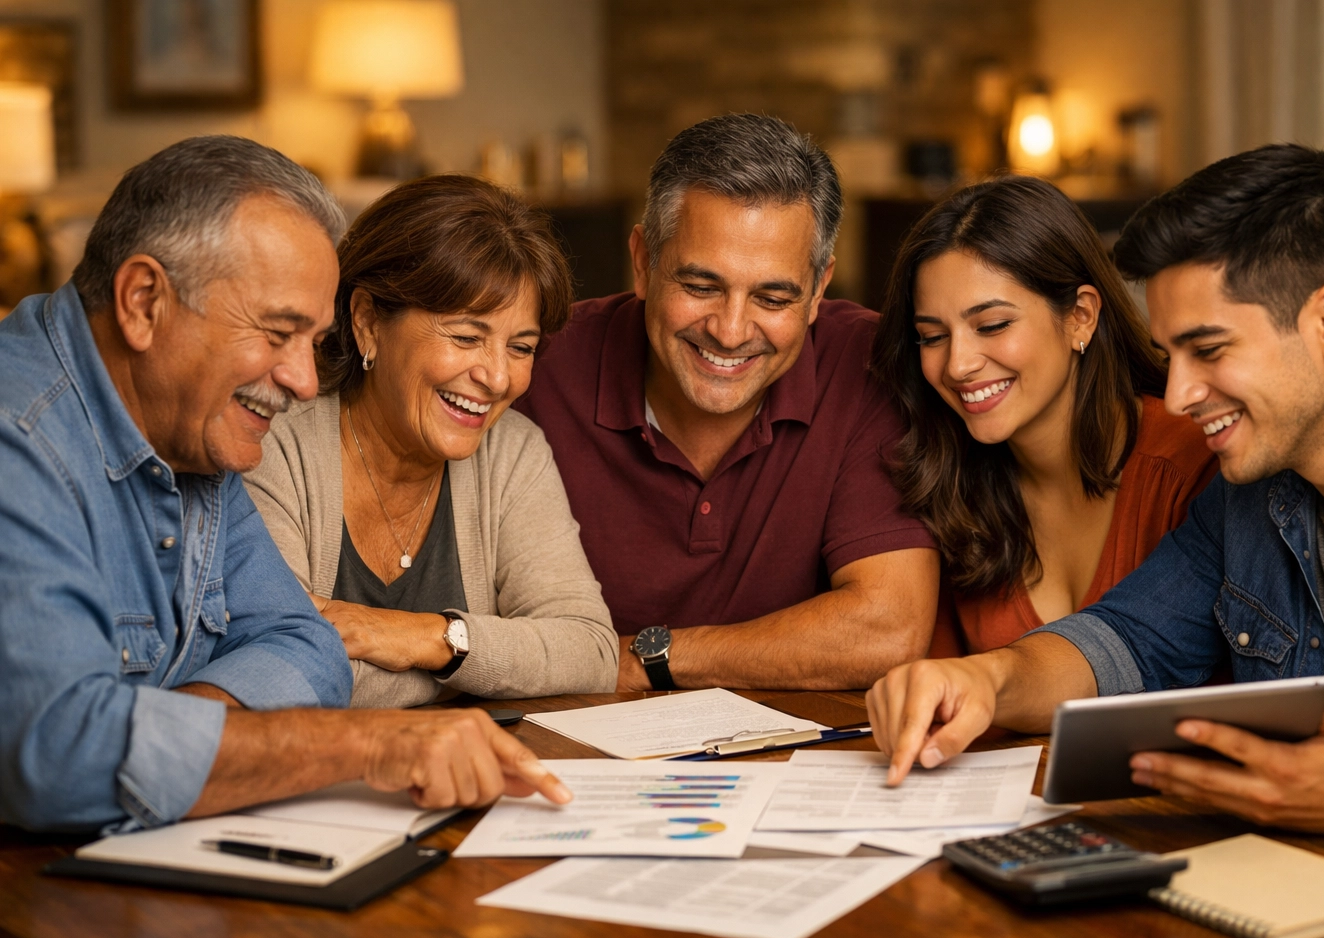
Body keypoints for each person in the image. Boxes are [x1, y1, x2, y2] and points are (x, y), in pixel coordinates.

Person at [869, 144, 1324, 853]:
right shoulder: (1252, 489)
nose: (1180, 394)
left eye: (1208, 350)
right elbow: (1127, 640)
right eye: (1171, 353)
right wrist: (986, 678)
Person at [0, 136, 568, 834]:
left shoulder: (197, 435)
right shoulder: (18, 438)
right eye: (278, 333)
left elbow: (309, 646)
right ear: (144, 302)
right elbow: (59, 761)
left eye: (313, 340)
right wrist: (368, 743)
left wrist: (166, 737)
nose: (304, 381)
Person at [517, 113, 939, 691]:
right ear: (643, 261)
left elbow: (887, 630)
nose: (731, 330)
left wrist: (642, 659)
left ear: (818, 290)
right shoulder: (535, 367)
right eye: (700, 287)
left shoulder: (872, 364)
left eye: (772, 296)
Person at [246, 175, 619, 708]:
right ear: (368, 322)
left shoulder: (511, 452)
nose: (496, 378)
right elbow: (278, 668)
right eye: (466, 337)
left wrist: (427, 638)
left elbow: (591, 654)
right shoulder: (276, 445)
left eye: (521, 347)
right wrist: (489, 669)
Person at [869, 176, 1216, 658]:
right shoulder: (944, 481)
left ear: (1080, 316)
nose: (957, 364)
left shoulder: (1196, 463)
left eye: (992, 326)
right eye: (932, 336)